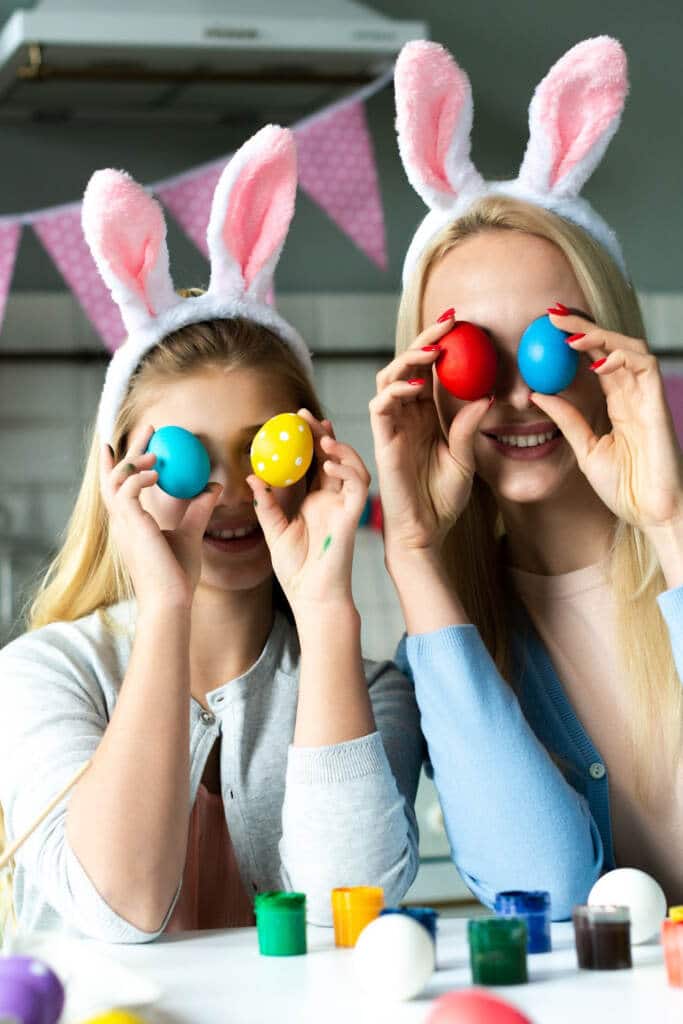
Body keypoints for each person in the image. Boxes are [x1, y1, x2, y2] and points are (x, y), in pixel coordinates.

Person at [0, 124, 422, 943]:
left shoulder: (369, 690)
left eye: (266, 449)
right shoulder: (40, 674)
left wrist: (327, 609)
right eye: (186, 461)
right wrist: (165, 605)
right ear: (119, 475)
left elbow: (352, 912)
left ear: (313, 459)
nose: (232, 492)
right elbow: (117, 906)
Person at [370, 37, 683, 918]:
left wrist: (668, 525)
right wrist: (415, 557)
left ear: (605, 350)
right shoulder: (447, 654)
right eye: (470, 356)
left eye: (547, 345)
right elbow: (544, 892)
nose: (513, 394)